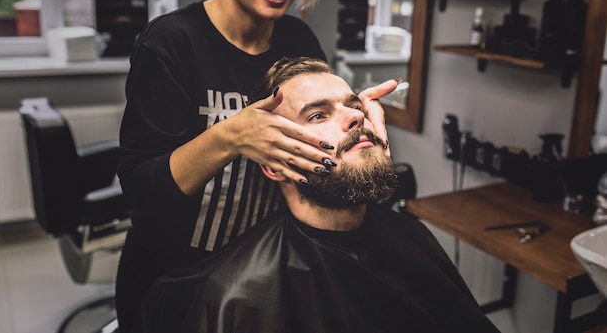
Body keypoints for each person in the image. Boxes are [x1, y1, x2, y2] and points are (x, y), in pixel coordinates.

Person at [115, 0, 398, 331]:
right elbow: (141, 187)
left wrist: (357, 117)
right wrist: (231, 136)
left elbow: (319, 124)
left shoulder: (298, 41)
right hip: (173, 279)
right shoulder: (171, 43)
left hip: (263, 271)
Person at [132, 57, 502, 333]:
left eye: (354, 107)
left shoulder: (412, 238)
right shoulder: (237, 296)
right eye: (316, 116)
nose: (356, 119)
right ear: (274, 165)